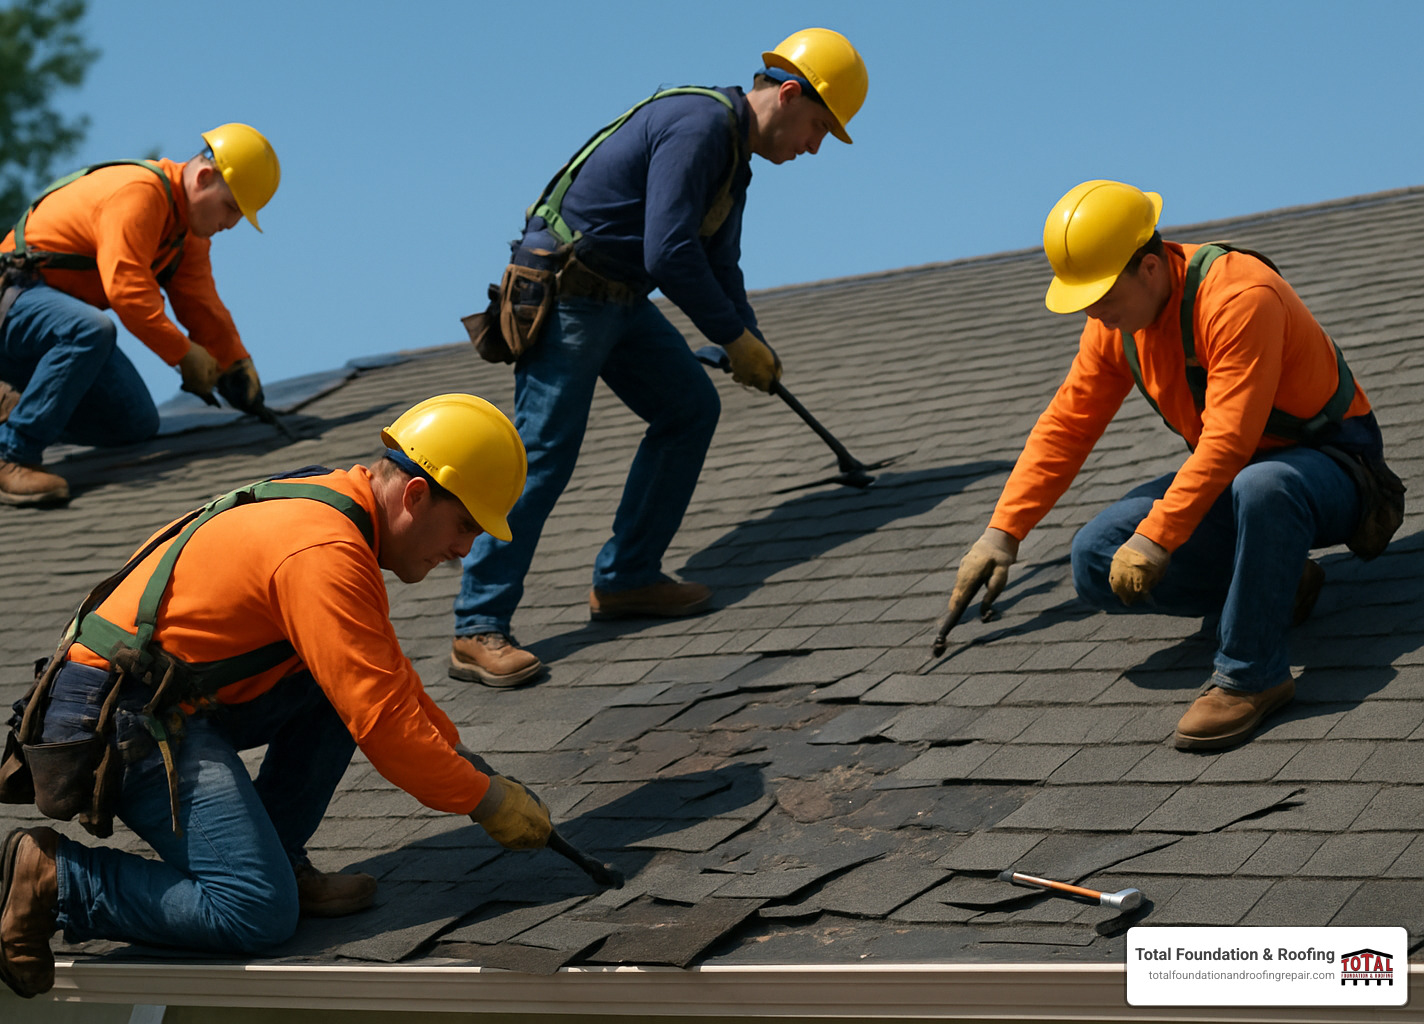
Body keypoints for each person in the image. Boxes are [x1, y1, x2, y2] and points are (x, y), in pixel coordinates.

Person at [0, 394, 556, 999]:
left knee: (335, 681)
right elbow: (386, 726)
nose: (466, 550)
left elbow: (386, 680)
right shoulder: (324, 552)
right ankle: (58, 877)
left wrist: (462, 758)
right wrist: (485, 799)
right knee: (255, 911)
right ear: (416, 495)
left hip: (163, 697)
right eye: (466, 524)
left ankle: (278, 858)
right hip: (120, 720)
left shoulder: (335, 505)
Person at [451, 28, 869, 688]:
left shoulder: (734, 158)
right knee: (541, 455)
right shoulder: (701, 124)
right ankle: (477, 626)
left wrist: (751, 340)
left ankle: (626, 579)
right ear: (788, 94)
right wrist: (731, 337)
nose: (815, 146)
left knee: (688, 408)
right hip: (570, 293)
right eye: (819, 126)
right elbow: (669, 252)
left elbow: (716, 261)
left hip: (619, 297)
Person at [942, 179, 1394, 752]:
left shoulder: (1239, 297)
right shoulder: (1117, 325)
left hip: (1333, 467)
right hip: (1235, 472)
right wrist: (1002, 533)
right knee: (1095, 554)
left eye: (1103, 297)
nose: (1096, 314)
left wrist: (1157, 538)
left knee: (1264, 484)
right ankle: (1277, 580)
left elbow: (1230, 440)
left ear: (1150, 269)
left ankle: (1251, 676)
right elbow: (1068, 425)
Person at [0, 123, 281, 507]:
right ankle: (11, 453)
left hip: (55, 330)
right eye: (230, 207)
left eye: (240, 216)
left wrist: (235, 364)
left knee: (135, 422)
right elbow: (126, 289)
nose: (230, 224)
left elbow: (201, 304)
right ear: (205, 177)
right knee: (92, 329)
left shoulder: (186, 235)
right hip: (9, 306)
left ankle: (4, 413)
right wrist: (183, 353)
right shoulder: (140, 192)